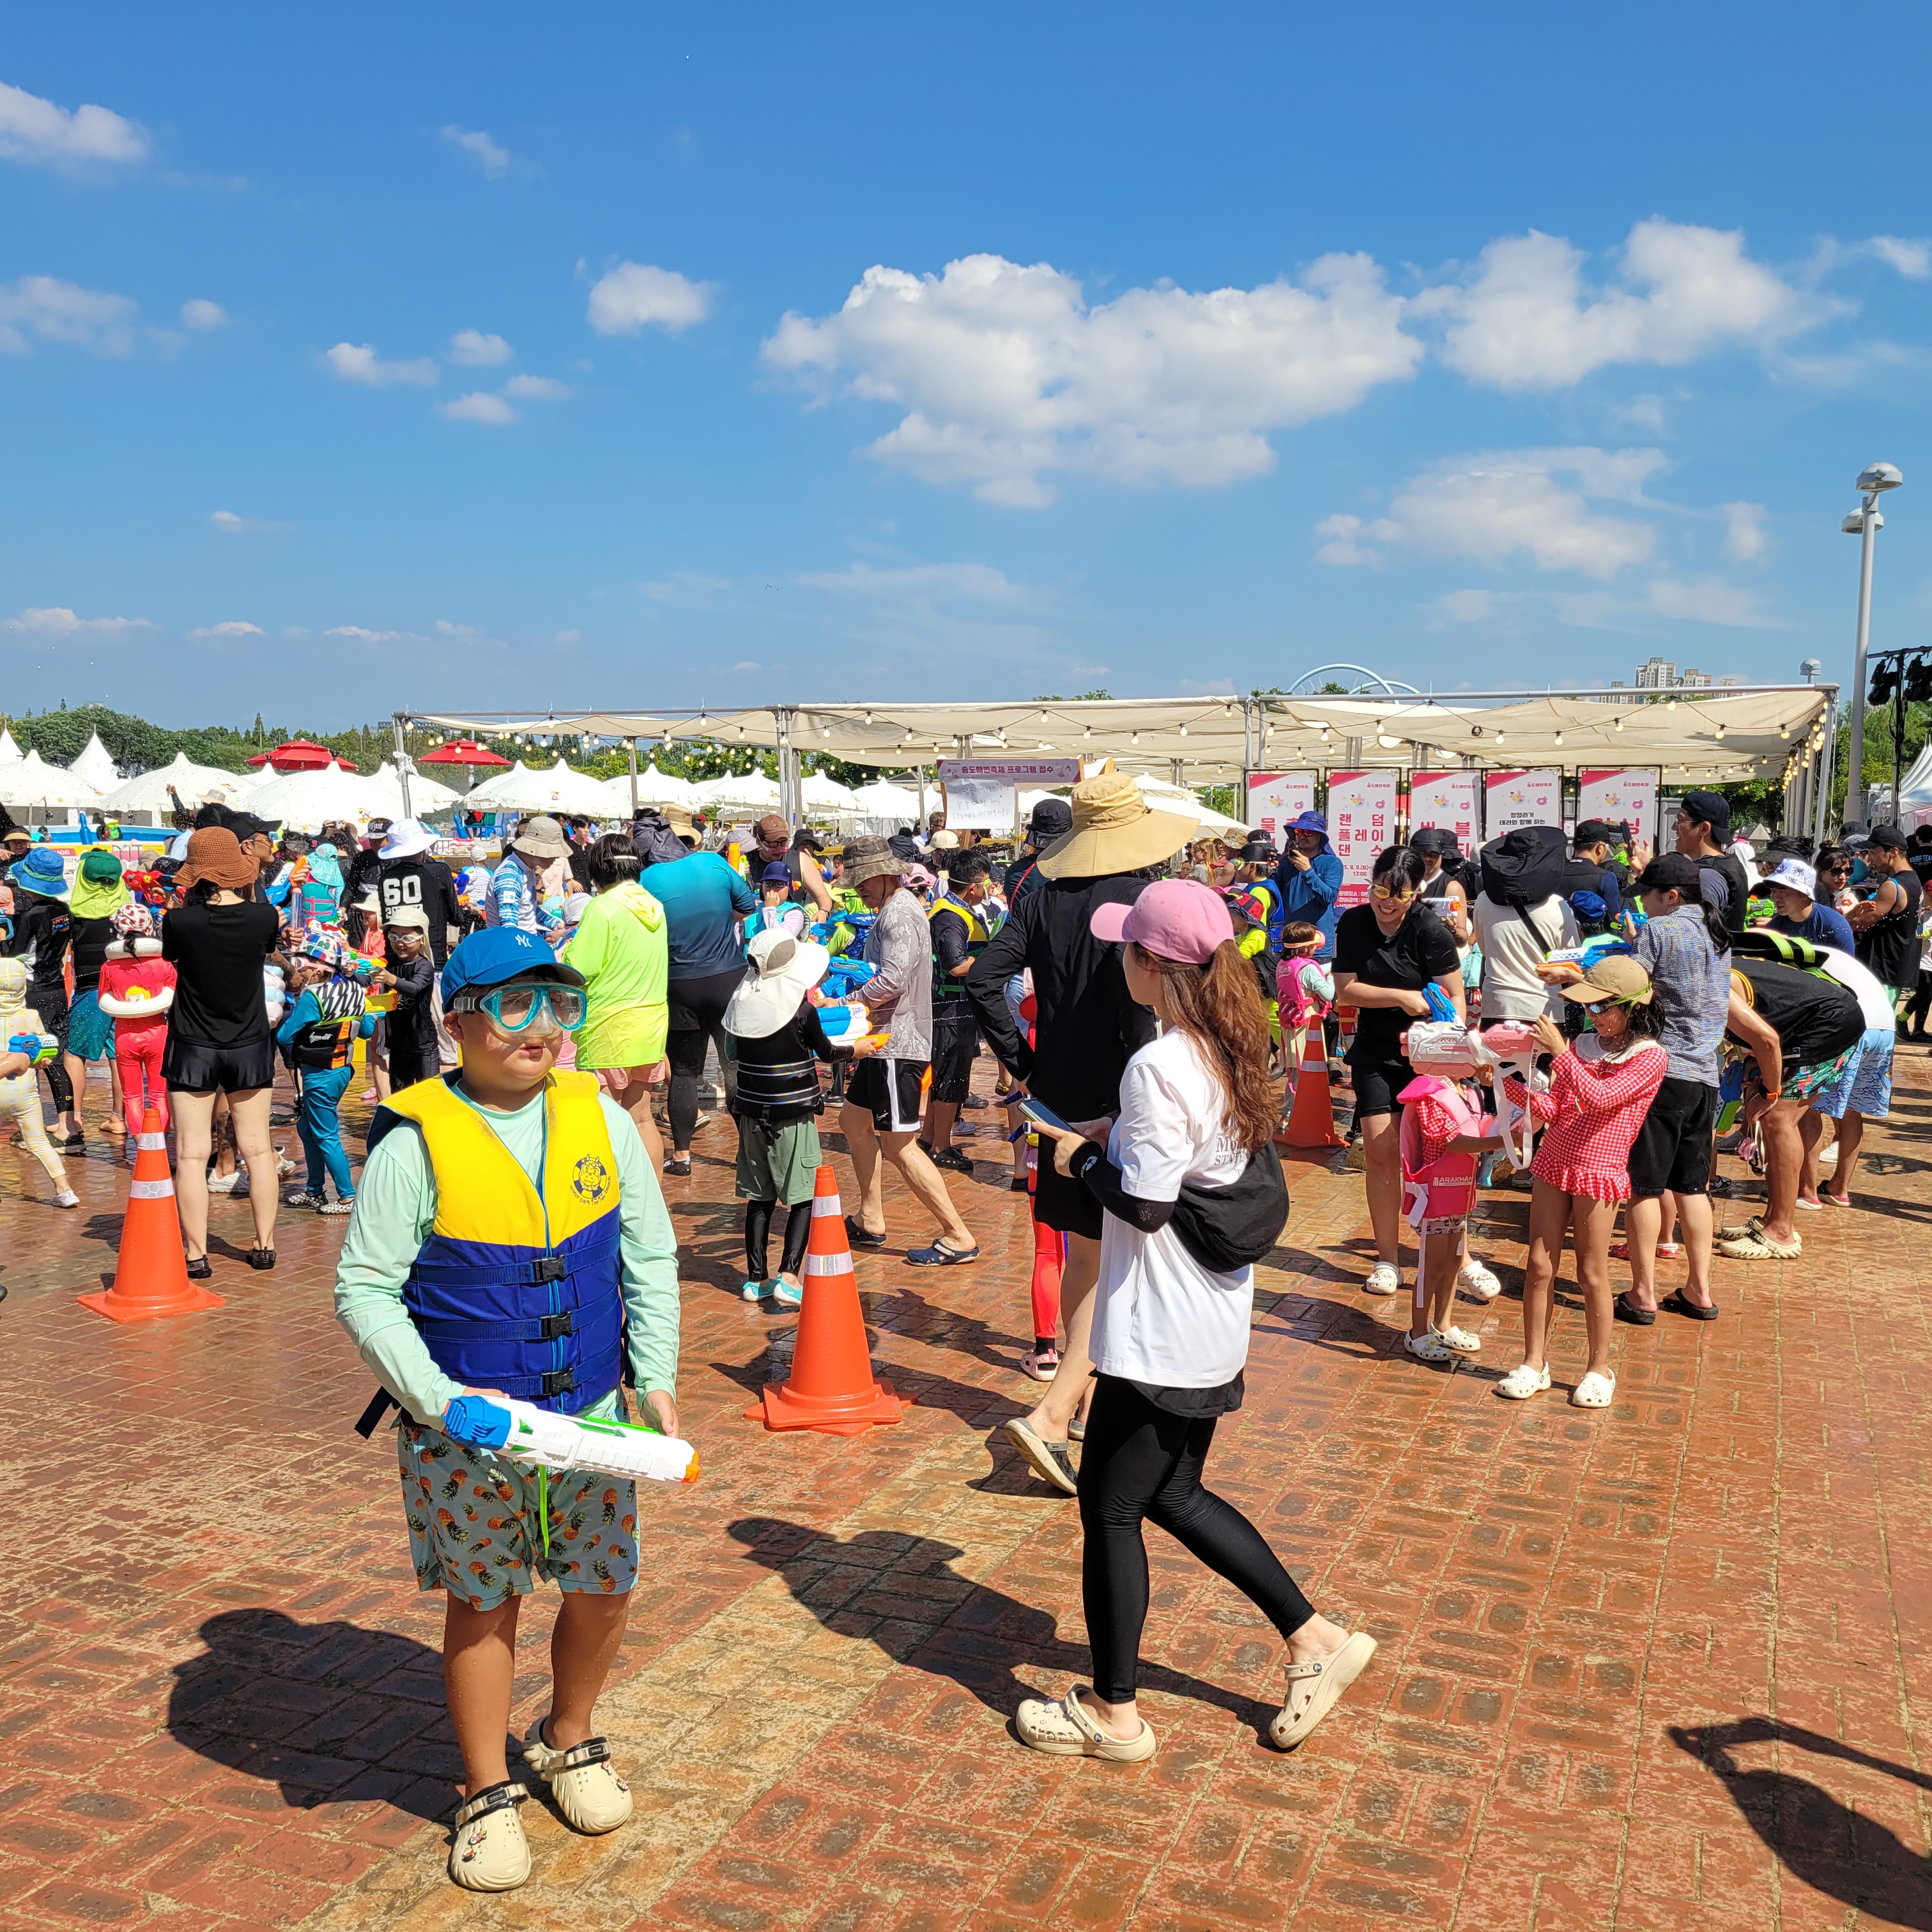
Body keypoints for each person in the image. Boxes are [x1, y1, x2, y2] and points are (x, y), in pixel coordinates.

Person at [332, 927, 680, 1894]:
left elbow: (647, 1250)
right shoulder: (417, 1137)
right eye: (514, 1004)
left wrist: (655, 1373)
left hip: (592, 1415)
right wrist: (440, 1400)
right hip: (467, 1432)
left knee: (604, 1583)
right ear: (457, 1022)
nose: (542, 1028)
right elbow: (365, 1287)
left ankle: (568, 1735)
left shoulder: (597, 1115)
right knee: (484, 1603)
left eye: (559, 1005)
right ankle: (486, 1786)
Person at [1018, 880, 1373, 1761]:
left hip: (1157, 1326)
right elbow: (1187, 1163)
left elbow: (1143, 1205)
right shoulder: (1229, 1044)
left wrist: (1082, 1155)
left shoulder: (1157, 1063)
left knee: (1110, 1508)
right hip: (1210, 1315)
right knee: (1171, 1493)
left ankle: (1115, 1715)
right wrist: (1114, 1134)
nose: (1119, 959)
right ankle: (1314, 1638)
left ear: (1150, 964)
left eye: (1126, 948)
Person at [967, 775, 1197, 1492]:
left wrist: (1024, 1062)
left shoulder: (1040, 898)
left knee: (1082, 1252)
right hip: (1127, 1093)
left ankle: (1082, 1398)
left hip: (1056, 1097)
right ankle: (1057, 1410)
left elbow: (983, 981)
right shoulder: (1142, 900)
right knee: (1116, 1256)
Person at [1494, 957, 1669, 1407]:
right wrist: (1501, 1080)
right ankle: (1534, 1362)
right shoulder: (1583, 1046)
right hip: (1555, 1161)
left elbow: (1601, 1098)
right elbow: (1555, 1109)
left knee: (1591, 1272)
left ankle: (1598, 1368)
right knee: (1539, 1265)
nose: (1593, 1016)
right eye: (1589, 1007)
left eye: (1602, 1007)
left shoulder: (1650, 1056)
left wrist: (1561, 1053)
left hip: (1599, 1170)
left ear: (1632, 1006)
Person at [1331, 847, 1467, 1299]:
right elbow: (1346, 990)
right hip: (1376, 1049)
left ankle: (1460, 1254)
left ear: (1416, 893)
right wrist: (1402, 998)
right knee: (1380, 1148)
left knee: (1439, 1153)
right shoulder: (1354, 923)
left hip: (1427, 1051)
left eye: (1399, 895)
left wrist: (1453, 1059)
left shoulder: (1429, 929)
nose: (1387, 902)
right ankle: (1387, 1258)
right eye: (1380, 890)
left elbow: (1454, 996)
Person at [836, 836, 978, 1264]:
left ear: (883, 875)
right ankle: (870, 1216)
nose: (859, 889)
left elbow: (894, 979)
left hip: (896, 1045)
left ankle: (958, 1235)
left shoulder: (898, 913)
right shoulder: (896, 908)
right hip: (884, 1042)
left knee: (900, 1145)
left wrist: (846, 1002)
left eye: (863, 881)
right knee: (852, 1122)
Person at [1614, 854, 1732, 1324]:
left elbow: (1629, 988)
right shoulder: (1718, 934)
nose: (1644, 903)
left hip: (1662, 1073)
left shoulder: (1659, 930)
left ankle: (1643, 1293)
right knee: (1692, 1188)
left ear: (1672, 895)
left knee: (1644, 1187)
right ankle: (1699, 1290)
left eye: (1648, 894)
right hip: (1705, 1075)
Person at [161, 828, 282, 1276]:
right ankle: (265, 1246)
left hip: (193, 1042)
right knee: (258, 1149)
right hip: (249, 1041)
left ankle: (197, 1254)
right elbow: (266, 953)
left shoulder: (178, 922)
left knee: (192, 1154)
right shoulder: (264, 916)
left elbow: (175, 959)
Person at [725, 927, 857, 1306]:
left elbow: (732, 1052)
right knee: (802, 1197)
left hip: (752, 1116)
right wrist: (857, 1050)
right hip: (793, 1116)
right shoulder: (802, 1011)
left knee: (759, 1199)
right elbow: (827, 1053)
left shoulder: (741, 1006)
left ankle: (756, 1280)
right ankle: (788, 1276)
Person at [1714, 953, 1864, 1261]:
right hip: (1807, 1025)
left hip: (1829, 1023)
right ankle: (1771, 1219)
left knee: (1778, 1119)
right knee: (1768, 1118)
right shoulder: (1706, 972)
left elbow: (1767, 1039)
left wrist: (1771, 1092)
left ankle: (1781, 1231)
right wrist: (1756, 1069)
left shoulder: (1713, 982)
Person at [636, 831, 757, 1177]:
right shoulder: (713, 862)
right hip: (727, 978)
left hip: (679, 983)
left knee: (684, 1072)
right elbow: (747, 906)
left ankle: (682, 1156)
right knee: (735, 1068)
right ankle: (749, 1154)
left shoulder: (645, 879)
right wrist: (716, 922)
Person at [1397, 1029, 1506, 1365]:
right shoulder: (1429, 1095)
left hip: (1458, 1193)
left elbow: (1479, 1126)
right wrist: (1501, 1141)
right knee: (1430, 1266)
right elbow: (1452, 1141)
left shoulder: (1466, 1092)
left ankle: (1443, 1324)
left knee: (1452, 1263)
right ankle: (1417, 1332)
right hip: (1435, 1196)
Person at [564, 834, 670, 1170]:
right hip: (651, 1024)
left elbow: (579, 968)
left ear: (598, 872)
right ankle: (652, 1194)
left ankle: (614, 1196)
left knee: (606, 1119)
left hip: (608, 1028)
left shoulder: (602, 908)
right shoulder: (655, 906)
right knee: (642, 1118)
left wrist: (566, 950)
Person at [1795, 939, 1897, 1210]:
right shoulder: (1822, 954)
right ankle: (1839, 1189)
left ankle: (1806, 1191)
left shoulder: (1792, 961)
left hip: (1850, 1022)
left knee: (1807, 1106)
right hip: (1884, 1026)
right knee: (1852, 1109)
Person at [277, 955, 374, 1212]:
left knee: (326, 1135)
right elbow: (366, 1031)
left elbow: (285, 1036)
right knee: (306, 1128)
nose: (299, 971)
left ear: (319, 971)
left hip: (319, 1075)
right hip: (341, 1071)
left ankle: (347, 1197)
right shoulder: (355, 991)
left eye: (303, 966)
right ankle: (314, 1190)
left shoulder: (313, 997)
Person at [1469, 826, 1579, 1040]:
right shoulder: (1558, 906)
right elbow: (1571, 959)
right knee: (1544, 1063)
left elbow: (1485, 949)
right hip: (1545, 1009)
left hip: (1497, 1005)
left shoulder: (1484, 900)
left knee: (1496, 1063)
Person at [4, 844, 81, 1146]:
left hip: (32, 993)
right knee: (56, 1058)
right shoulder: (64, 912)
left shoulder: (30, 916)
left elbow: (16, 957)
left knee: (27, 1056)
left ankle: (31, 1128)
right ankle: (69, 1127)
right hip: (57, 990)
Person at [923, 850, 994, 1176]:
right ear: (974, 886)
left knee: (945, 1074)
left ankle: (929, 1138)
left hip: (956, 1008)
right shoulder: (951, 917)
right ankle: (942, 1146)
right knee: (951, 1076)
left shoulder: (955, 910)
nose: (989, 889)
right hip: (951, 1009)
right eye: (986, 883)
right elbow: (956, 965)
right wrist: (996, 959)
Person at [0, 959, 78, 1206]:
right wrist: (37, 1061)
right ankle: (65, 1190)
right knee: (39, 1142)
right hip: (24, 1092)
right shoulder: (31, 1016)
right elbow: (46, 1052)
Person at [65, 848, 130, 1143]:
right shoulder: (127, 913)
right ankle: (118, 1117)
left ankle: (73, 1118)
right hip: (126, 992)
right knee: (119, 1056)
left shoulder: (75, 916)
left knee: (74, 1053)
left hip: (91, 991)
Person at [98, 902, 176, 1141]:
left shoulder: (109, 966)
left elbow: (103, 999)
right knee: (159, 1094)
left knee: (132, 1095)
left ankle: (141, 1146)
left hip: (125, 1036)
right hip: (157, 1033)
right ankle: (159, 1144)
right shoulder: (164, 964)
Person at [1848, 824, 1923, 1015]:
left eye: (1874, 853)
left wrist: (1846, 916)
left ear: (1893, 852)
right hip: (1896, 966)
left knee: (1873, 1022)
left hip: (1882, 969)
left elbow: (1860, 923)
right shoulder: (1914, 880)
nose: (1870, 859)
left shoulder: (1892, 886)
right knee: (1882, 1021)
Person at [377, 820, 465, 967]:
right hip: (432, 958)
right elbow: (457, 918)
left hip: (395, 960)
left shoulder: (385, 878)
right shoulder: (439, 871)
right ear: (422, 848)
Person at [1663, 791, 1749, 937]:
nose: (1674, 828)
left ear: (1704, 829)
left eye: (1680, 821)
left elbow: (1692, 938)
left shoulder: (1706, 877)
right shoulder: (1729, 864)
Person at [378, 908, 440, 1096]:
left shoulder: (424, 966)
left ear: (421, 939)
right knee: (400, 1097)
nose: (400, 943)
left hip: (423, 1045)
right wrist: (353, 968)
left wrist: (389, 979)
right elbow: (365, 977)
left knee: (427, 1097)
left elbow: (414, 988)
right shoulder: (387, 962)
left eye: (407, 938)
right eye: (394, 937)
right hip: (398, 1045)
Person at [1271, 812, 1344, 962]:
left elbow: (1329, 896)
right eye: (1299, 832)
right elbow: (1274, 893)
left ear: (1320, 837)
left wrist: (1308, 871)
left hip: (1319, 948)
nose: (1302, 837)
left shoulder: (1332, 863)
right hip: (1291, 943)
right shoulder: (1287, 862)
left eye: (1309, 833)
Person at [486, 816, 569, 938]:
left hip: (525, 942)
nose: (557, 857)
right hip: (513, 946)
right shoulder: (510, 878)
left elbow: (528, 910)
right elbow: (508, 929)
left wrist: (555, 923)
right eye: (553, 852)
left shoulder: (527, 870)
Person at [1761, 857, 1855, 954]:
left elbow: (1845, 963)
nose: (1775, 898)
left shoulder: (1834, 926)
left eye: (1783, 892)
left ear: (1803, 894)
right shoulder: (1774, 928)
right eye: (1773, 891)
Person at [749, 813, 833, 915]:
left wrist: (823, 911)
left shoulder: (800, 860)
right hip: (756, 921)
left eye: (783, 843)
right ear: (759, 841)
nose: (779, 849)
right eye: (773, 844)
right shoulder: (745, 862)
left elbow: (822, 895)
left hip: (793, 921)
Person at [1409, 829, 1470, 945]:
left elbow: (1462, 939)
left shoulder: (1452, 887)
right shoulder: (1402, 880)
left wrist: (1453, 930)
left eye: (1434, 855)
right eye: (1423, 854)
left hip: (1435, 950)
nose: (1428, 859)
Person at [748, 861, 808, 939]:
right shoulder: (755, 909)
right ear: (762, 888)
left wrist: (770, 909)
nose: (773, 889)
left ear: (789, 888)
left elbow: (780, 939)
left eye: (780, 884)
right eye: (768, 883)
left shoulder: (795, 913)